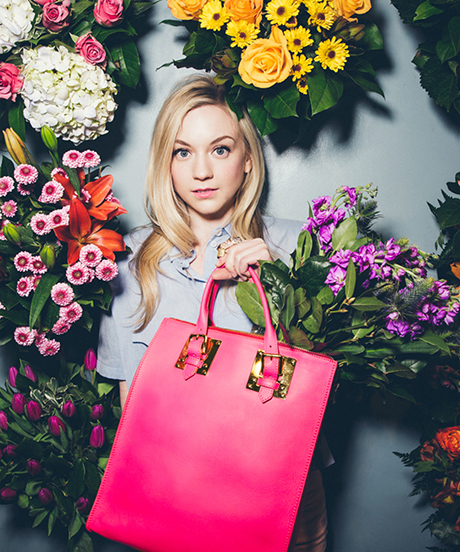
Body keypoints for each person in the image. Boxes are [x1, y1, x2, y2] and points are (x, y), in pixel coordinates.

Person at [96, 74, 328, 552]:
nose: (201, 171)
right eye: (183, 152)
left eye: (220, 149)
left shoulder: (298, 246)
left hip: (278, 498)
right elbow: (128, 406)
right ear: (166, 163)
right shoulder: (127, 261)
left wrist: (278, 282)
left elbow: (325, 380)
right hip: (167, 494)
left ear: (248, 160)